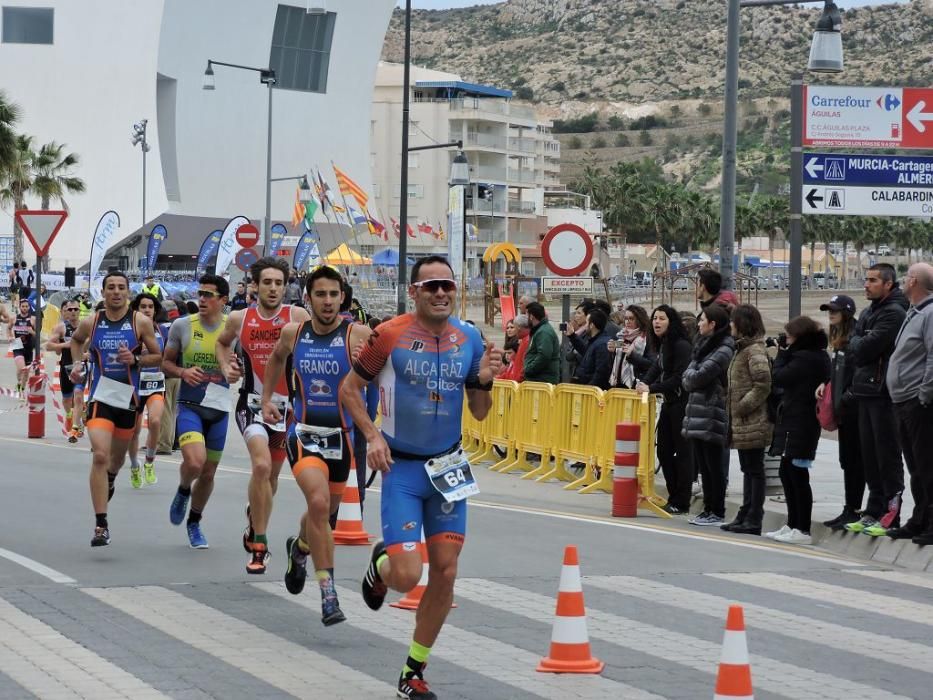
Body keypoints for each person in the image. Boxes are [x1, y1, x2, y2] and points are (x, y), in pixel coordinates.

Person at [340, 255, 502, 700]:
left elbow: (480, 412)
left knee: (446, 573)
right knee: (409, 576)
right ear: (414, 292)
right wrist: (372, 436)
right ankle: (382, 563)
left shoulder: (468, 338)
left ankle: (413, 670)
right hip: (403, 467)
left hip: (448, 468)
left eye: (447, 286)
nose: (440, 293)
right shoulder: (389, 335)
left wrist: (486, 381)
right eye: (430, 286)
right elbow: (349, 390)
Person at [261, 265, 371, 625]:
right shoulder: (294, 333)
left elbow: (388, 372)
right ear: (307, 298)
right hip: (303, 432)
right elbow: (276, 359)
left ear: (343, 298)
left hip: (342, 438)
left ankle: (300, 548)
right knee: (319, 503)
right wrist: (266, 399)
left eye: (333, 295)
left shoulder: (358, 335)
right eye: (320, 294)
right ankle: (328, 593)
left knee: (325, 514)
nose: (327, 301)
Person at [216, 257, 310, 574]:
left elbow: (311, 353)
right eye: (266, 282)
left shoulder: (297, 316)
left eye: (278, 283)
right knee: (260, 465)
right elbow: (222, 343)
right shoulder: (239, 318)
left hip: (287, 408)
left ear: (286, 286)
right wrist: (226, 365)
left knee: (270, 479)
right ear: (255, 285)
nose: (272, 288)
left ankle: (254, 518)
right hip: (252, 402)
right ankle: (260, 545)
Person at [68, 271, 162, 546]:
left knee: (115, 462)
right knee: (99, 455)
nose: (116, 292)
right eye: (111, 288)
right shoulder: (93, 321)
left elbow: (158, 357)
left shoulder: (140, 322)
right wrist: (77, 365)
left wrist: (134, 359)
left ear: (128, 292)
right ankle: (101, 524)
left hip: (128, 400)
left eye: (121, 287)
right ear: (104, 292)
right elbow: (75, 341)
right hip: (100, 397)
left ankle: (109, 478)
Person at [162, 274, 231, 549]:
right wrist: (182, 371)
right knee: (194, 462)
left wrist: (236, 372)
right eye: (200, 293)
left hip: (219, 408)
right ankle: (182, 490)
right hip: (190, 405)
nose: (201, 299)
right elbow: (165, 363)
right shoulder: (182, 325)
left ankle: (194, 522)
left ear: (223, 301)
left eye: (208, 295)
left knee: (209, 474)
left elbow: (242, 368)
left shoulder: (232, 328)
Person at [845, 263, 909, 536]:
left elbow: (865, 348)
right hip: (866, 391)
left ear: (888, 284)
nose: (866, 284)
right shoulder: (870, 311)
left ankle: (890, 515)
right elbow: (854, 344)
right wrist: (859, 340)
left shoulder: (894, 313)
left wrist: (860, 340)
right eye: (866, 279)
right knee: (869, 456)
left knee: (887, 456)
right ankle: (872, 511)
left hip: (883, 394)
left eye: (873, 280)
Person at [765, 316, 831, 545]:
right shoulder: (811, 355)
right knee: (787, 472)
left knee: (797, 475)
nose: (787, 340)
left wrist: (782, 353)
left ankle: (802, 528)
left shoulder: (807, 357)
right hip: (795, 419)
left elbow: (780, 376)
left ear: (801, 337)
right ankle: (792, 524)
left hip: (802, 422)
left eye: (790, 336)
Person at [884, 263, 933, 545]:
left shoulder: (929, 313)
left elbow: (931, 357)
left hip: (918, 403)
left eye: (905, 278)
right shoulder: (914, 312)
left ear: (913, 281)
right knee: (915, 466)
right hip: (902, 401)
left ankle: (930, 523)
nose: (903, 282)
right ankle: (920, 519)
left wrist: (924, 394)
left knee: (927, 465)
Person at [682, 304, 735, 527]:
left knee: (714, 467)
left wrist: (691, 377)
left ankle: (717, 510)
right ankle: (708, 509)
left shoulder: (723, 348)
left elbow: (698, 376)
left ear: (713, 324)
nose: (699, 323)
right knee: (704, 466)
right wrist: (691, 377)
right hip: (697, 412)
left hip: (713, 412)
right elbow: (688, 376)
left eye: (703, 320)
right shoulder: (703, 345)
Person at [636, 306, 693, 514]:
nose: (656, 322)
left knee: (684, 453)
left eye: (661, 318)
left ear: (671, 322)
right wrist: (643, 383)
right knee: (664, 452)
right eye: (654, 318)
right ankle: (674, 496)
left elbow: (678, 378)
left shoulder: (681, 345)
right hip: (669, 404)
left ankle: (682, 500)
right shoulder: (664, 345)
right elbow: (657, 368)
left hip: (682, 404)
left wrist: (651, 388)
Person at [722, 304, 771, 536]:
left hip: (752, 420)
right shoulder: (742, 349)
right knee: (748, 468)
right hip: (742, 421)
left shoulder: (754, 351)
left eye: (734, 321)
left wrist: (741, 407)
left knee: (754, 468)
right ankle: (746, 512)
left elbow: (762, 384)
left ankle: (754, 516)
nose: (731, 325)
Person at [816, 294, 863, 530]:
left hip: (853, 411)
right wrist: (826, 382)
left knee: (855, 461)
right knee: (847, 460)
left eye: (834, 310)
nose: (830, 313)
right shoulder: (838, 338)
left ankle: (854, 509)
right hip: (843, 410)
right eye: (828, 310)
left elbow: (856, 374)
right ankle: (849, 507)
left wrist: (846, 399)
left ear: (847, 312)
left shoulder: (853, 338)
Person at [127, 293, 167, 488]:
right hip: (134, 386)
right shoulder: (130, 330)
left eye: (150, 306)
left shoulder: (162, 330)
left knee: (156, 420)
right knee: (133, 432)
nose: (147, 310)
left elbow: (169, 355)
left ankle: (149, 462)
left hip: (155, 384)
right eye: (143, 306)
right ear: (136, 309)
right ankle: (135, 465)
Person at [46, 299, 83, 437]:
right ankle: (70, 415)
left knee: (78, 396)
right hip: (66, 366)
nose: (73, 312)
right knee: (67, 399)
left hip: (81, 367)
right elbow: (49, 346)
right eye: (70, 309)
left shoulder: (86, 327)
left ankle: (77, 425)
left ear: (80, 311)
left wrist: (86, 354)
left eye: (76, 309)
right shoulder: (61, 327)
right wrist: (65, 345)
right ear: (65, 312)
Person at [608, 304, 650, 389]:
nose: (627, 321)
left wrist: (632, 356)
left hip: (637, 386)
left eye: (631, 319)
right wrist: (612, 352)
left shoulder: (647, 339)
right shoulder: (621, 337)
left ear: (640, 320)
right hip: (618, 384)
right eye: (626, 318)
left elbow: (651, 365)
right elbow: (617, 361)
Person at [572, 308, 612, 389]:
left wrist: (589, 389)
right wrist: (572, 336)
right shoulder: (595, 340)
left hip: (593, 393)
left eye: (586, 322)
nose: (585, 326)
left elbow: (601, 372)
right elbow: (586, 352)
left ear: (592, 325)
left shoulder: (601, 344)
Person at [523, 301, 560, 384]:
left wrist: (529, 369)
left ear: (531, 316)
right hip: (539, 380)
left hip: (542, 381)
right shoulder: (539, 330)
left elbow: (544, 356)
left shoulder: (544, 332)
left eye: (526, 315)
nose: (525, 317)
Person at [9, 298, 36, 392]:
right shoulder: (14, 318)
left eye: (26, 306)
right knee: (21, 368)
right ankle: (19, 382)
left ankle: (22, 388)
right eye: (23, 306)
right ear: (20, 307)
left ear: (29, 307)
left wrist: (32, 331)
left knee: (26, 371)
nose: (25, 308)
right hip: (17, 344)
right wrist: (10, 336)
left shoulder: (33, 319)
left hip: (28, 346)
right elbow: (8, 328)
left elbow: (38, 335)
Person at [500, 314, 530, 382]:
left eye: (512, 327)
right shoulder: (511, 343)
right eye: (507, 328)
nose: (509, 330)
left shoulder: (524, 341)